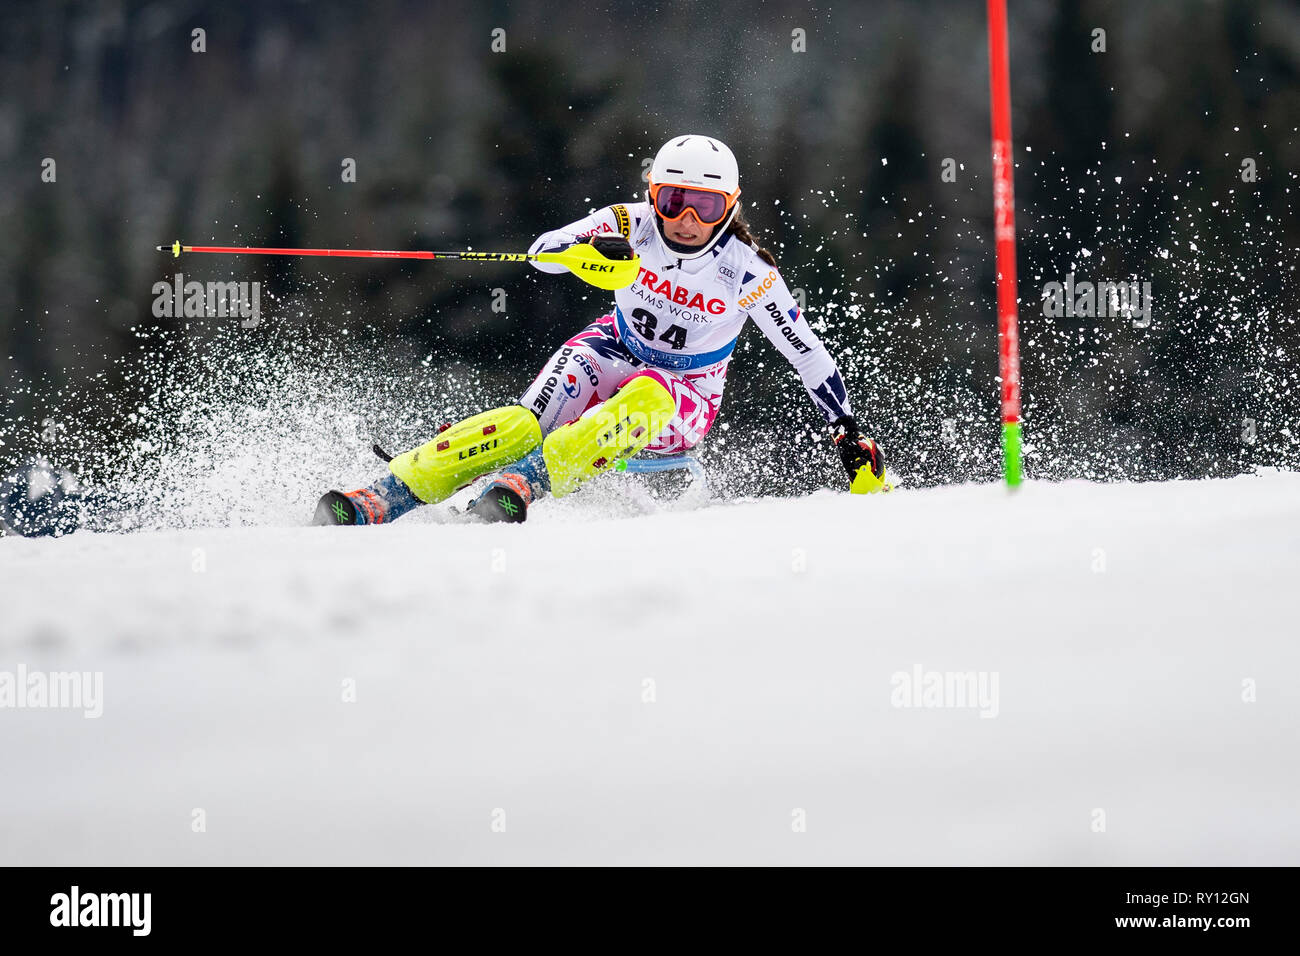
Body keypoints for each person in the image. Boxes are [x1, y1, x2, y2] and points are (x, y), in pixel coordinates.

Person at [313, 134, 887, 526]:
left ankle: (524, 483)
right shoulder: (627, 223)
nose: (687, 221)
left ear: (731, 207)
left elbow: (805, 352)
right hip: (612, 346)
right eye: (675, 200)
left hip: (683, 394)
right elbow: (540, 254)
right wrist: (588, 254)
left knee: (644, 396)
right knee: (521, 423)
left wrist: (846, 430)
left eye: (706, 207)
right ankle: (382, 496)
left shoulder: (747, 270)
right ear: (653, 195)